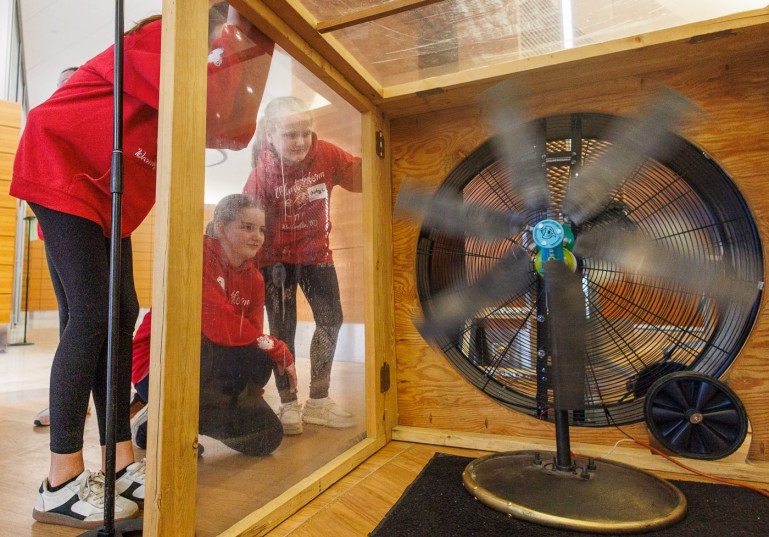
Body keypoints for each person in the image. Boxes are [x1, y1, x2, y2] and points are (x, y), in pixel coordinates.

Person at [11, 3, 274, 529]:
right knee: (90, 315)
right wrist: (244, 40)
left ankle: (119, 458)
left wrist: (259, 42)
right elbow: (192, 101)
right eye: (224, 19)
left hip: (109, 191)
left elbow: (231, 130)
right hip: (63, 163)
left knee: (119, 309)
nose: (227, 28)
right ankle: (59, 481)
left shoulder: (205, 55)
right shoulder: (161, 36)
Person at [130, 194, 298, 456]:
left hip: (212, 368)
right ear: (221, 228)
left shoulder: (254, 278)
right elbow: (219, 326)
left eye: (262, 230)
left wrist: (250, 393)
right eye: (247, 227)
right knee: (219, 345)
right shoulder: (197, 256)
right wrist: (277, 347)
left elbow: (250, 336)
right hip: (160, 365)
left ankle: (159, 421)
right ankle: (163, 408)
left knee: (266, 436)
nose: (257, 236)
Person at [242, 96, 362, 435]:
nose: (299, 142)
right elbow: (248, 229)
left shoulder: (328, 155)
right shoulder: (260, 175)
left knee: (331, 321)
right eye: (290, 134)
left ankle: (319, 402)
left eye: (305, 133)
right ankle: (289, 403)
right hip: (274, 260)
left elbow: (364, 177)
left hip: (316, 254)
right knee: (283, 330)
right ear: (271, 135)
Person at [33, 66, 79, 428]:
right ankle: (65, 406)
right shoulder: (47, 123)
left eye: (72, 83)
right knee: (71, 318)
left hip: (90, 235)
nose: (66, 89)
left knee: (88, 319)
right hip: (57, 239)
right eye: (61, 83)